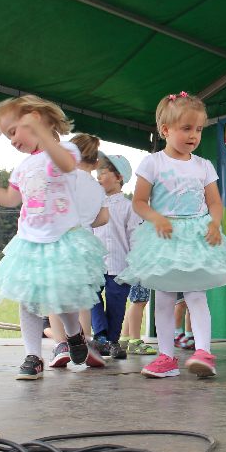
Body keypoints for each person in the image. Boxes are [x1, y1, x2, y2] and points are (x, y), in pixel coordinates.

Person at [0, 95, 108, 379]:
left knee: (64, 297)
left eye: (14, 131)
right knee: (27, 299)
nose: (12, 141)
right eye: (7, 136)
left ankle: (74, 334)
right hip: (29, 243)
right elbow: (10, 198)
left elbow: (65, 165)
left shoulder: (65, 150)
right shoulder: (22, 168)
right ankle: (33, 355)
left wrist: (41, 132)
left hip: (62, 239)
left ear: (39, 119)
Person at [117, 91, 226, 378]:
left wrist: (214, 224)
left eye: (199, 129)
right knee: (164, 298)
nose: (194, 135)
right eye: (186, 128)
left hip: (195, 235)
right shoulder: (153, 163)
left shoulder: (203, 165)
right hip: (165, 237)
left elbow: (214, 202)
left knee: (196, 294)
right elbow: (139, 202)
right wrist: (156, 218)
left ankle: (204, 352)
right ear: (165, 130)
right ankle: (166, 358)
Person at [47, 133, 105, 368]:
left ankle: (61, 344)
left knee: (55, 294)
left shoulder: (64, 177)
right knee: (83, 297)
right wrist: (87, 219)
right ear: (96, 163)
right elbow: (103, 218)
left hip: (60, 239)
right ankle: (85, 342)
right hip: (85, 243)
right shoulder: (98, 188)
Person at [90, 151, 142, 360]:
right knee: (90, 296)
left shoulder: (129, 207)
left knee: (116, 304)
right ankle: (100, 335)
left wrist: (134, 263)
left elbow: (134, 236)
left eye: (103, 173)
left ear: (119, 177)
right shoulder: (93, 205)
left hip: (120, 264)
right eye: (97, 173)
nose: (99, 177)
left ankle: (112, 341)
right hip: (94, 264)